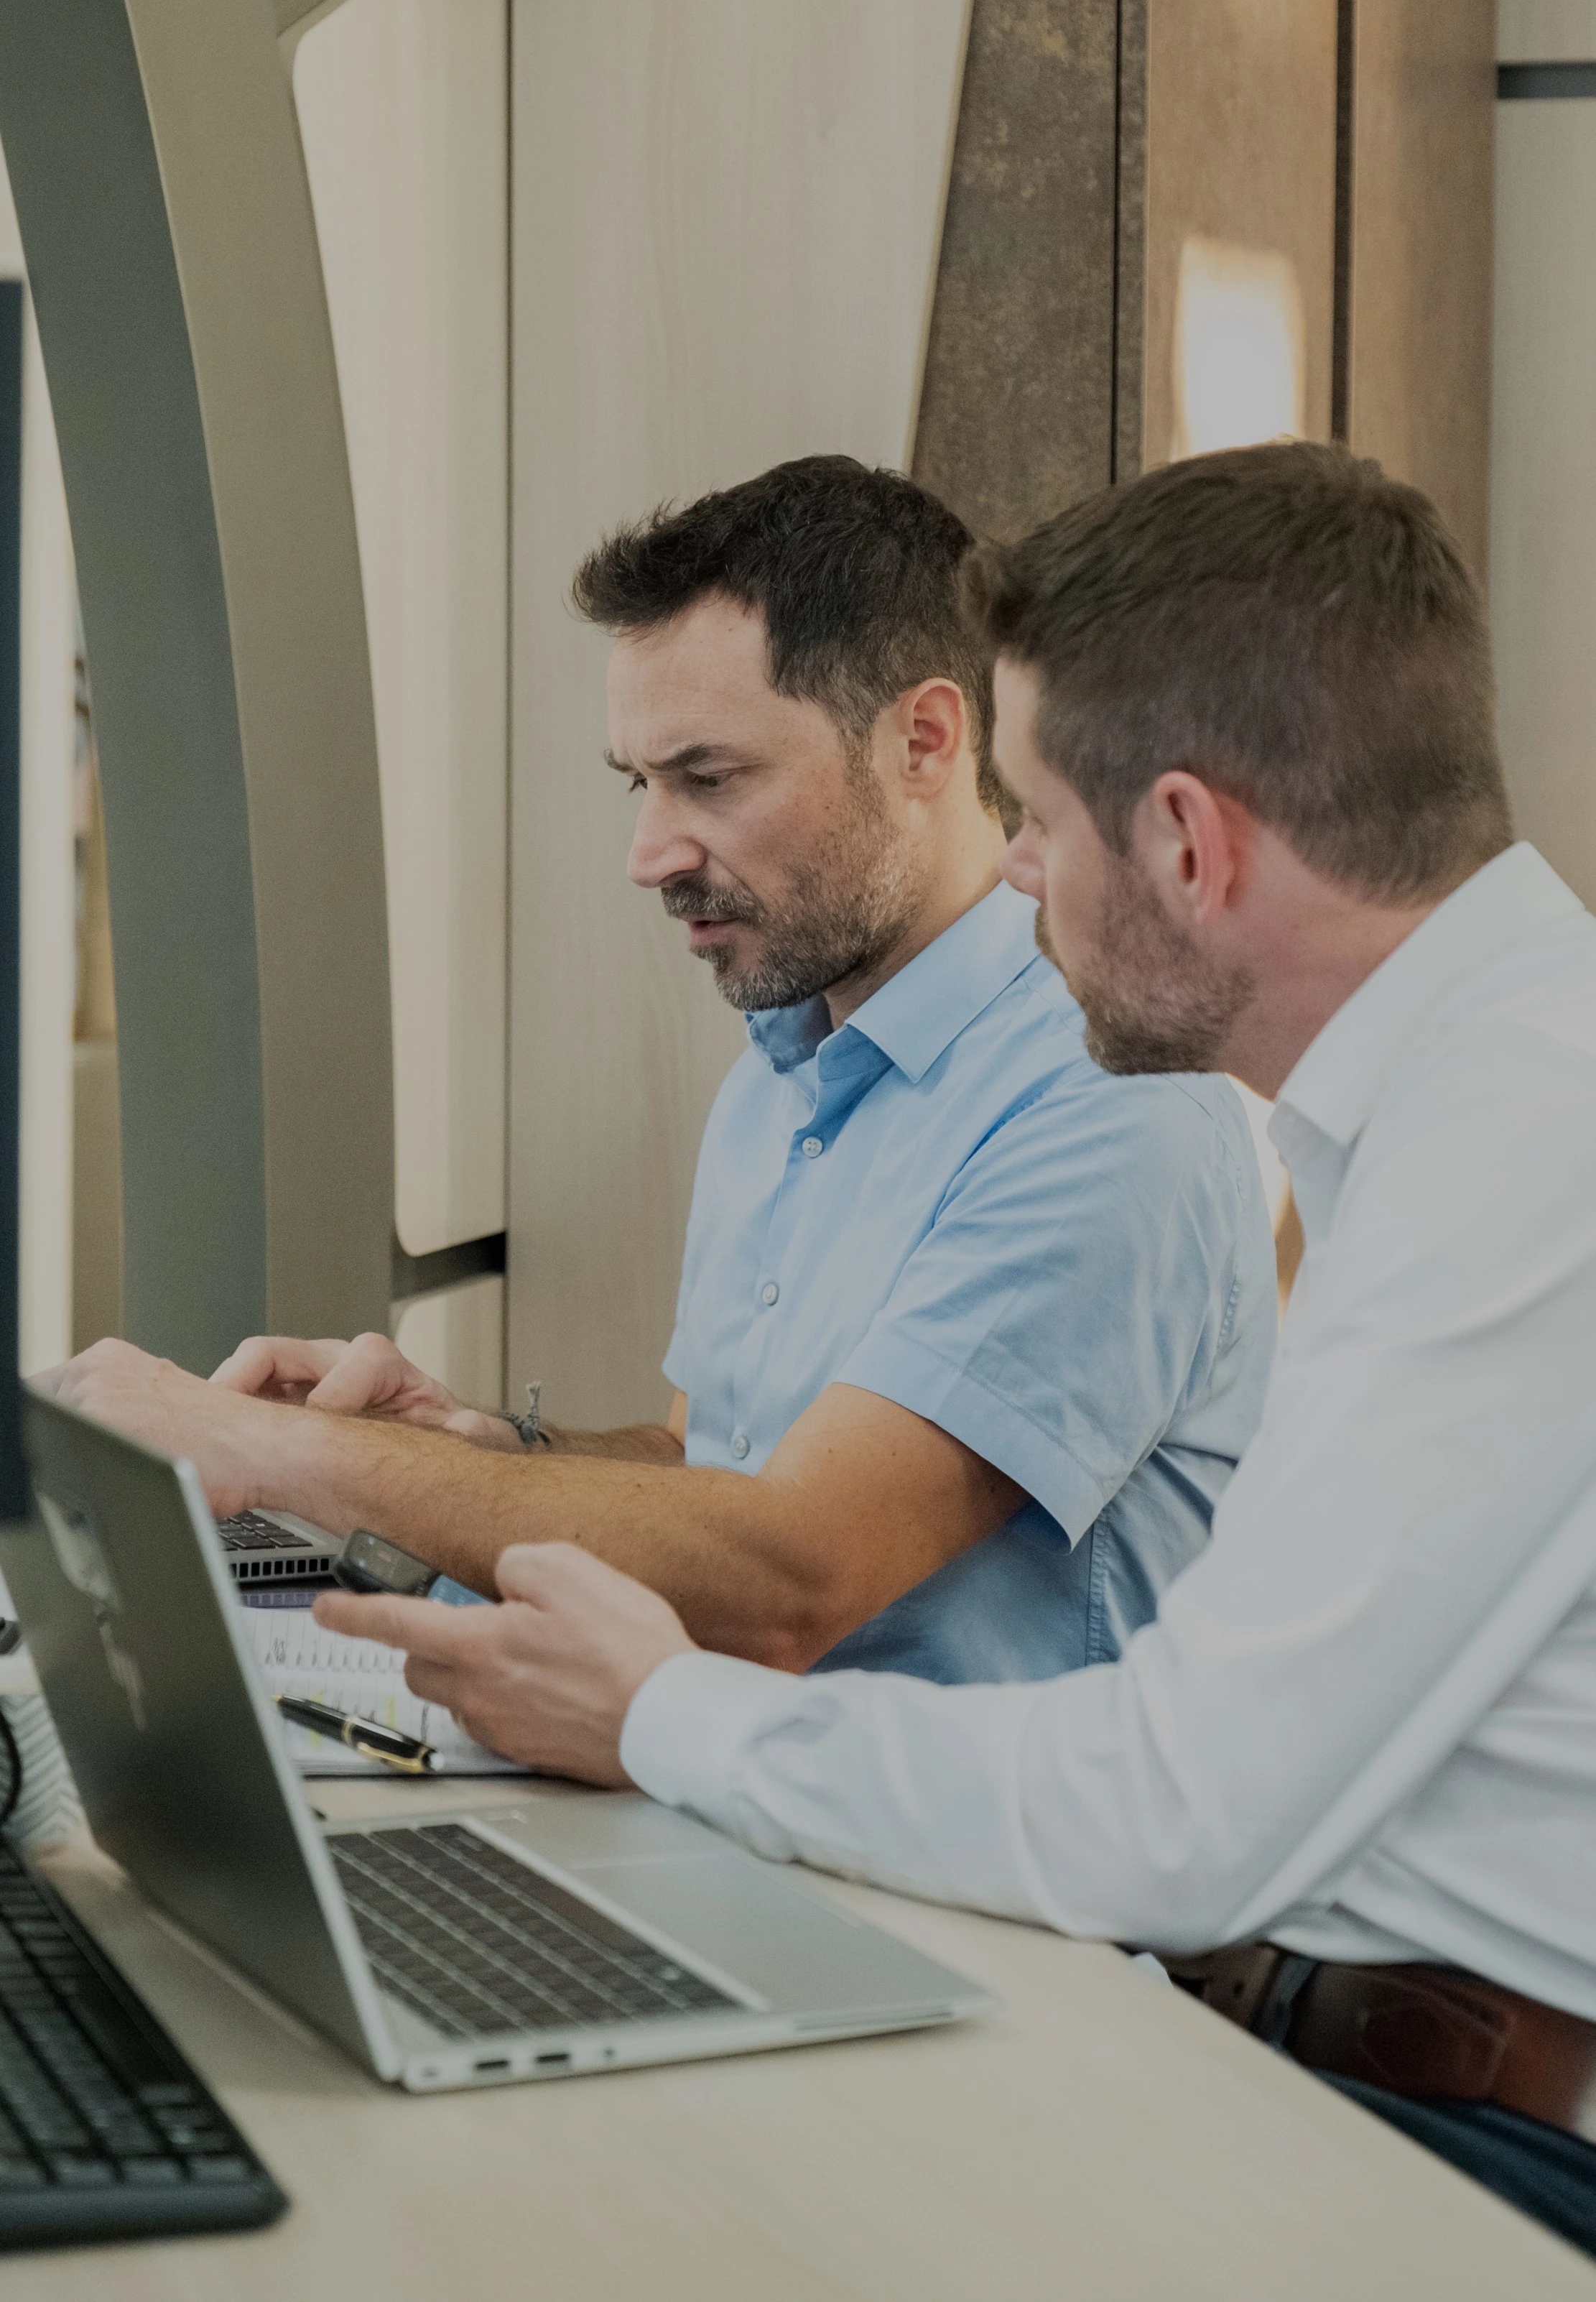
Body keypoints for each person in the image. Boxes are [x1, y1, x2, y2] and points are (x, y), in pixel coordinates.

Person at [309, 443, 1596, 2256]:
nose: (1019, 891)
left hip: (1493, 2154)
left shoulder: (1527, 1141)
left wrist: (668, 1714)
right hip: (1320, 2044)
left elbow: (1175, 1812)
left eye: (1042, 830)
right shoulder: (1473, 1098)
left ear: (1183, 841)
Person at [49, 457, 1273, 1681]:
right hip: (727, 1801)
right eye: (641, 783)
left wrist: (277, 1455)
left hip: (955, 1864)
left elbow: (792, 1575)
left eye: (710, 777)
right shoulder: (782, 1072)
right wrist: (480, 1445)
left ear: (924, 740)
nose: (649, 851)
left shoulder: (1102, 1101)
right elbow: (715, 1472)